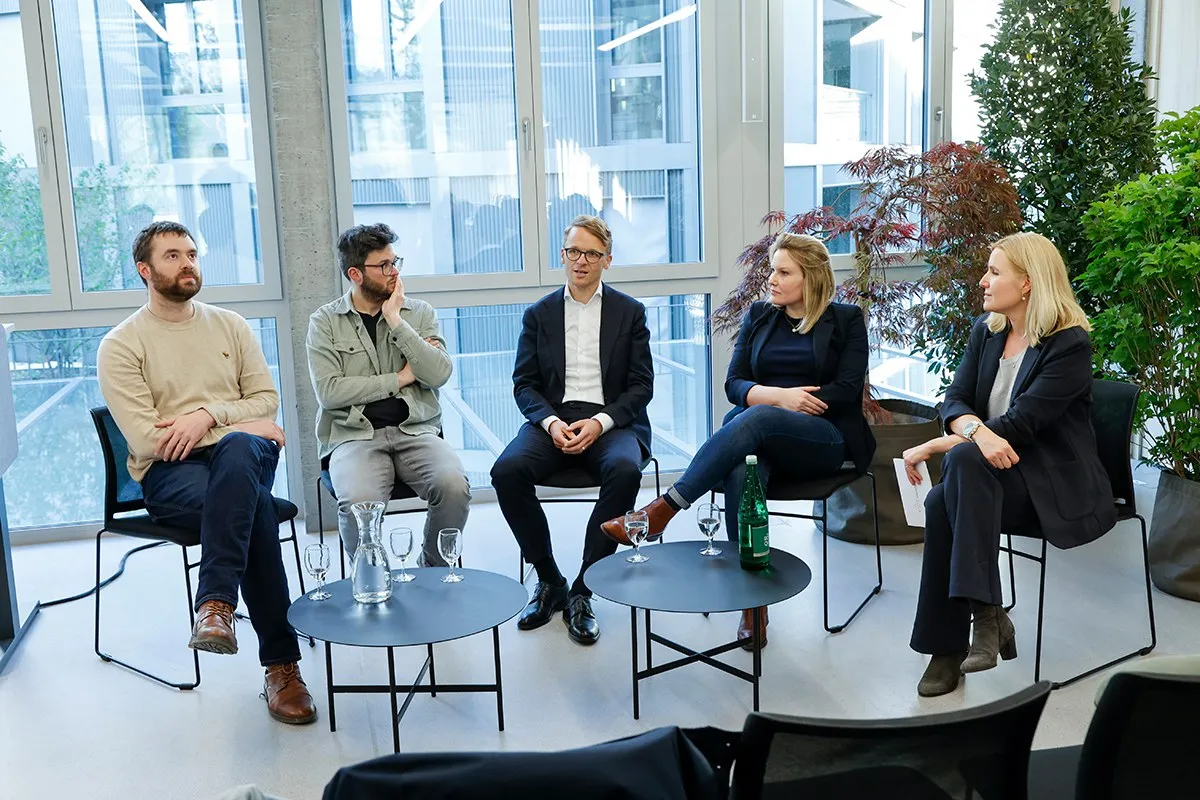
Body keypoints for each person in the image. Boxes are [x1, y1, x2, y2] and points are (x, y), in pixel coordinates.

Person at [601, 232, 876, 648]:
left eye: (784, 272)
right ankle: (753, 602)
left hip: (822, 438)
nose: (772, 279)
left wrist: (781, 404)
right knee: (741, 470)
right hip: (761, 435)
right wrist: (778, 396)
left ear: (812, 277)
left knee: (757, 418)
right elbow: (734, 384)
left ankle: (664, 508)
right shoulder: (761, 315)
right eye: (772, 270)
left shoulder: (846, 319)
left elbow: (847, 388)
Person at [97, 221, 316, 724]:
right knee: (254, 509)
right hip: (172, 472)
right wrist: (244, 421)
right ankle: (281, 667)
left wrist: (205, 416)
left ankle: (215, 608)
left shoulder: (231, 326)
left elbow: (267, 401)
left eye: (192, 254)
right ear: (144, 270)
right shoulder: (122, 344)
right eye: (172, 256)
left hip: (244, 456)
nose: (187, 263)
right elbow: (149, 440)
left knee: (238, 451)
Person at [901, 231, 1116, 697]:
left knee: (950, 485)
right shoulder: (988, 330)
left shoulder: (1069, 344)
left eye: (994, 272)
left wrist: (943, 443)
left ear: (1028, 283)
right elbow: (953, 400)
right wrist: (973, 434)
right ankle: (986, 618)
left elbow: (1021, 424)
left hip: (1049, 484)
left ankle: (958, 640)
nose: (983, 280)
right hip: (987, 476)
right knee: (949, 489)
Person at [490, 215, 653, 646]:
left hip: (611, 420)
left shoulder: (630, 312)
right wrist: (551, 423)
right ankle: (550, 580)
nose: (581, 261)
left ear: (607, 260)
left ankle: (583, 589)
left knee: (625, 470)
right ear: (563, 255)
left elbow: (641, 386)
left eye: (592, 254)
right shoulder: (539, 314)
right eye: (574, 251)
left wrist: (600, 422)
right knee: (506, 471)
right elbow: (524, 384)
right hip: (553, 419)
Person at [307, 223, 469, 565]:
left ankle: (432, 569)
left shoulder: (418, 313)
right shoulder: (325, 322)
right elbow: (330, 392)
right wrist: (400, 378)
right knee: (358, 503)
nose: (394, 271)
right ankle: (372, 580)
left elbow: (438, 373)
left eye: (395, 262)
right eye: (383, 265)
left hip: (416, 430)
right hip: (354, 437)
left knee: (454, 486)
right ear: (355, 274)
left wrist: (396, 320)